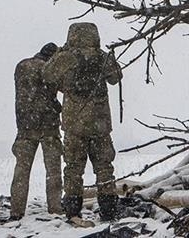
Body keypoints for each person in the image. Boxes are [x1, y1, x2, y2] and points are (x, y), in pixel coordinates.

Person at [44, 23, 123, 224]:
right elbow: (116, 77)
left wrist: (61, 52)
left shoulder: (66, 57)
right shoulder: (102, 56)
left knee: (73, 169)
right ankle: (108, 210)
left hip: (74, 124)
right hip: (100, 124)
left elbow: (47, 75)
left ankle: (73, 210)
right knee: (105, 167)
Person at [9, 42, 62, 219]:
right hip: (48, 126)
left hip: (25, 126)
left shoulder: (21, 66)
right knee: (53, 171)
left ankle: (16, 211)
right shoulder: (49, 69)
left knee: (21, 171)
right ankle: (55, 209)